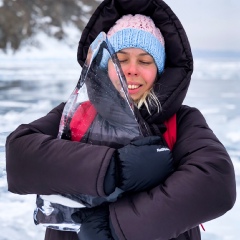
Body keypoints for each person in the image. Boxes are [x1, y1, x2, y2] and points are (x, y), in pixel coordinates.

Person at [5, 0, 236, 240]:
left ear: (160, 68)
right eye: (121, 59)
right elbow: (20, 155)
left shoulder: (182, 121)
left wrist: (115, 226)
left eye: (145, 61)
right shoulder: (76, 114)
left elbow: (216, 182)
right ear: (104, 65)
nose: (131, 69)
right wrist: (112, 169)